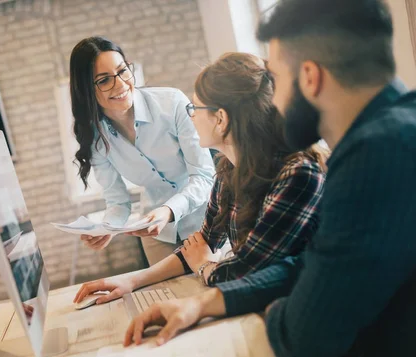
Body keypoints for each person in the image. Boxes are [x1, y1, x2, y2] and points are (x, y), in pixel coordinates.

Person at [123, 1, 416, 356]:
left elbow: (304, 333)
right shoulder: (393, 130)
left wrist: (265, 305)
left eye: (276, 80)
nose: (271, 99)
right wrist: (206, 303)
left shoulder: (376, 154)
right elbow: (306, 265)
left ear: (310, 77)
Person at [74, 52, 327, 305]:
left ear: (220, 119)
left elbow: (243, 272)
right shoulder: (228, 172)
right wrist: (131, 280)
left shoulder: (297, 175)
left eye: (195, 108)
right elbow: (202, 244)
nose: (190, 115)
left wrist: (204, 265)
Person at [69, 36, 215, 265]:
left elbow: (204, 175)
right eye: (104, 80)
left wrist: (169, 210)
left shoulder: (171, 102)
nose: (120, 84)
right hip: (158, 234)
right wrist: (108, 228)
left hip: (209, 219)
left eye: (123, 71)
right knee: (165, 296)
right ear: (86, 89)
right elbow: (117, 201)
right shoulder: (96, 138)